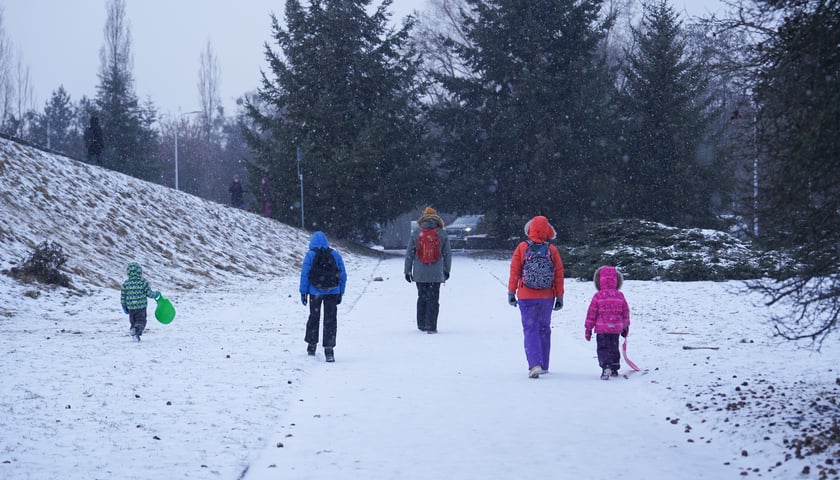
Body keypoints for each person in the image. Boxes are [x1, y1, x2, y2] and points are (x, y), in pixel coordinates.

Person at [507, 215, 565, 378]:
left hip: (526, 295)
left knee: (530, 329)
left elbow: (515, 272)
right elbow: (559, 274)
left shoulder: (522, 247)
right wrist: (559, 296)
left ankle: (535, 364)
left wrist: (511, 292)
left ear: (529, 229)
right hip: (547, 296)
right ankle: (544, 364)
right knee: (544, 328)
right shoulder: (552, 250)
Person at [299, 231, 347, 362]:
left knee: (314, 317)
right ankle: (329, 349)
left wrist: (303, 292)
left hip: (315, 292)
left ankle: (311, 345)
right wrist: (341, 291)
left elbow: (305, 275)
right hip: (332, 291)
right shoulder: (335, 254)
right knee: (330, 320)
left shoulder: (310, 255)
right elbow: (343, 274)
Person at [404, 207, 452, 333]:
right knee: (434, 299)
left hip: (420, 273)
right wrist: (446, 270)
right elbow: (447, 254)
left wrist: (407, 271)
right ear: (436, 217)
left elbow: (409, 253)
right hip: (436, 273)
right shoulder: (442, 232)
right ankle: (431, 326)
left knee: (422, 297)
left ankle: (421, 324)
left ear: (423, 216)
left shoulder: (416, 232)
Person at [584, 266, 631, 380]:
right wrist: (626, 326)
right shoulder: (620, 295)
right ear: (617, 280)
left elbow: (592, 313)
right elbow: (625, 312)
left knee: (603, 348)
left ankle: (606, 366)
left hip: (602, 329)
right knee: (614, 347)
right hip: (616, 328)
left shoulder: (598, 296)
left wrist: (588, 328)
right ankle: (614, 367)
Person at [120, 262, 161, 342]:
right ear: (139, 271)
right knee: (141, 321)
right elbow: (148, 293)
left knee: (133, 321)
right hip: (141, 306)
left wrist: (124, 305)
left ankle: (135, 334)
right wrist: (156, 294)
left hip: (131, 307)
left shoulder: (126, 283)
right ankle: (136, 330)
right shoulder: (143, 282)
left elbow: (123, 296)